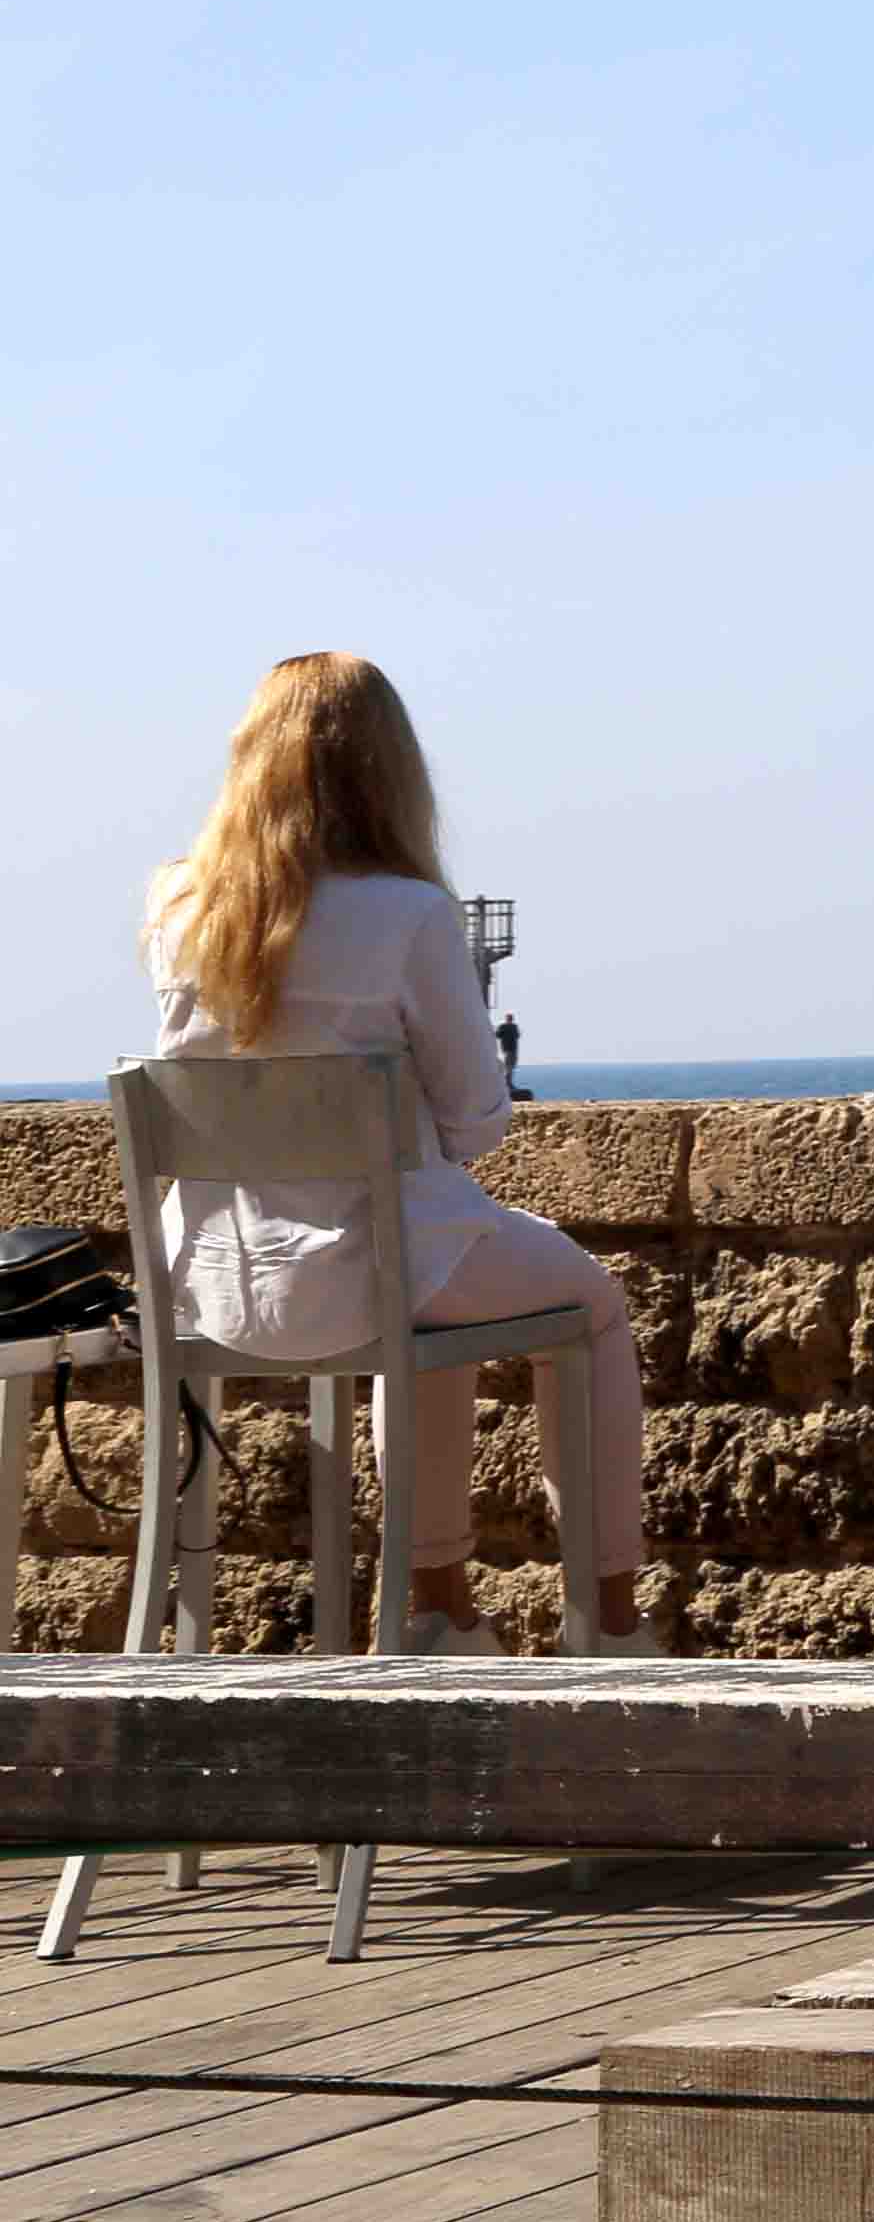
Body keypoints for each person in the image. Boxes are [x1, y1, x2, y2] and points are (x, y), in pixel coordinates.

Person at [140, 654, 654, 1654]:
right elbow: (475, 1121)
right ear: (388, 770)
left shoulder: (177, 907)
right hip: (372, 1271)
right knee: (585, 1303)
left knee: (427, 1276)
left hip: (213, 1283)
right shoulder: (408, 915)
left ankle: (442, 1610)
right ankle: (610, 1622)